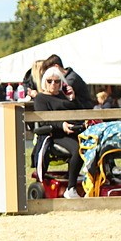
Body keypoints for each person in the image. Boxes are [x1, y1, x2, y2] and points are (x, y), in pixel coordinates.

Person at [33, 65, 86, 198]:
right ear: (44, 82)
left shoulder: (64, 96)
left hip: (75, 131)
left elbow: (80, 112)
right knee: (78, 149)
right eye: (49, 81)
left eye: (57, 81)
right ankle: (71, 188)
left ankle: (107, 176)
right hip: (55, 135)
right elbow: (44, 121)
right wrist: (62, 125)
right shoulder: (40, 98)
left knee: (97, 143)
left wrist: (73, 98)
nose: (53, 84)